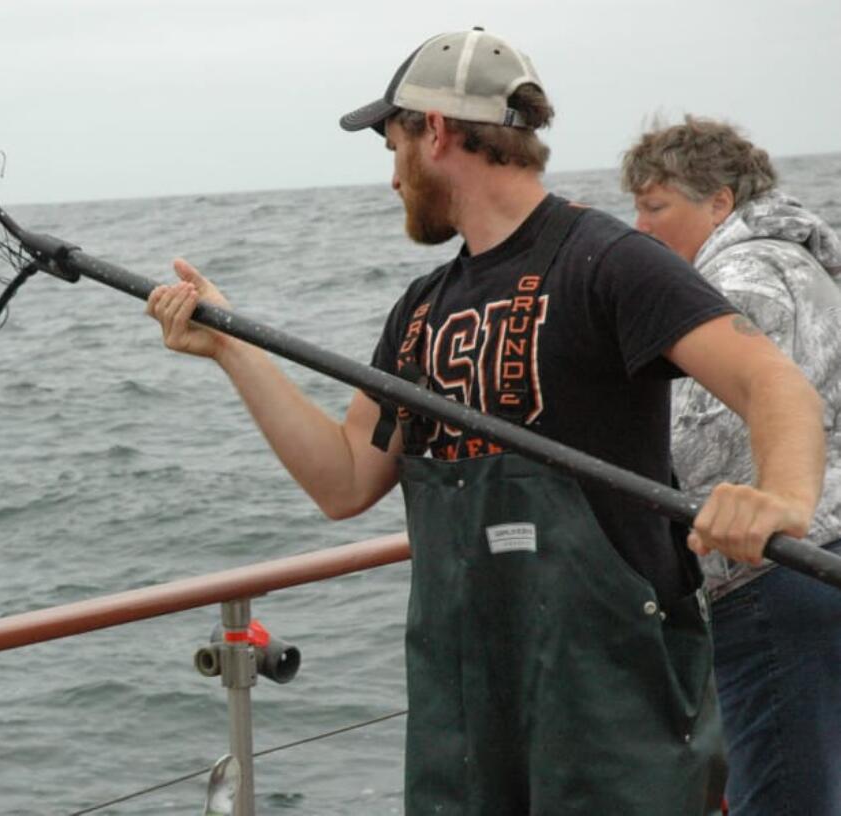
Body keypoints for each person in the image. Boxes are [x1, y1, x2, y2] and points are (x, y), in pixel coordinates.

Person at [148, 29, 826, 815]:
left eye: (391, 141)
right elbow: (343, 479)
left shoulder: (608, 263)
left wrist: (780, 498)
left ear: (433, 131)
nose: (391, 174)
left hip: (611, 709)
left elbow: (776, 385)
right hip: (464, 714)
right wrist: (233, 348)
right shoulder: (420, 310)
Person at [623, 116, 841, 816]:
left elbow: (707, 443)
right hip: (824, 552)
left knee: (780, 795)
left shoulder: (737, 276)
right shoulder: (799, 260)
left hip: (775, 569)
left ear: (719, 201)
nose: (640, 227)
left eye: (656, 207)